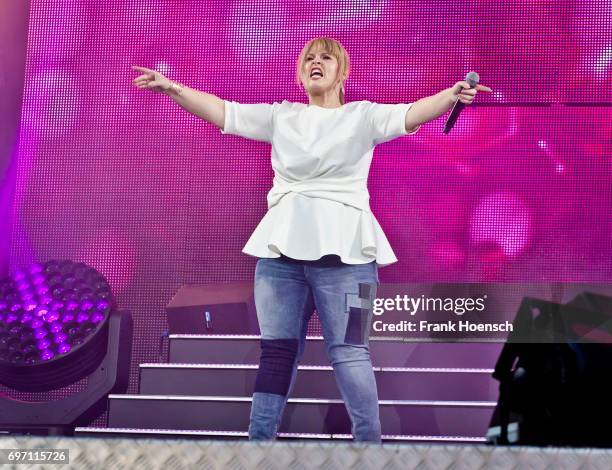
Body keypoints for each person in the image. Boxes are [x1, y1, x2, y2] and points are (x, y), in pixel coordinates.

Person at [132, 37, 492, 442]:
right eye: (309, 59)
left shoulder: (363, 116)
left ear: (343, 73)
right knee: (277, 351)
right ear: (301, 73)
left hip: (353, 255)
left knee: (352, 351)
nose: (315, 63)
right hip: (280, 256)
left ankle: (368, 450)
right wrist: (175, 89)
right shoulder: (282, 116)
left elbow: (411, 114)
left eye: (325, 58)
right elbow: (224, 112)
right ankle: (258, 447)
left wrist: (450, 95)